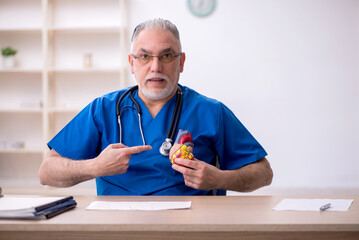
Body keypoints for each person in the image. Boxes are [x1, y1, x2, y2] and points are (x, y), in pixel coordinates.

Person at [39, 18, 273, 195]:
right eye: (145, 56)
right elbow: (47, 172)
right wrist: (95, 167)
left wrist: (220, 179)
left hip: (191, 229)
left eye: (167, 55)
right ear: (132, 63)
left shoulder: (211, 112)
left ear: (181, 62)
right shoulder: (103, 109)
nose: (155, 67)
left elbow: (263, 173)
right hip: (118, 229)